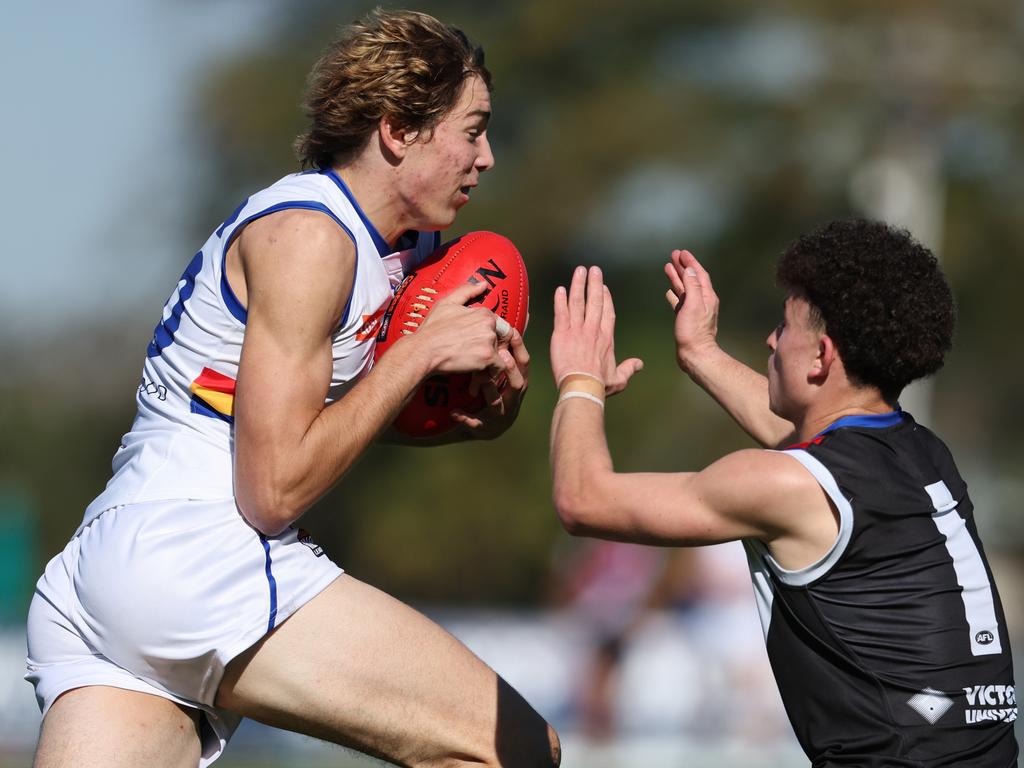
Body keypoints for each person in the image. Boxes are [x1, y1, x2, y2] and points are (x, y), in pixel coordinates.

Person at [26, 10, 560, 768]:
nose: (488, 157)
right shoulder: (310, 239)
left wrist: (479, 413)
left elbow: (327, 418)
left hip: (116, 569)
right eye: (472, 130)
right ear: (397, 131)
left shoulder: (395, 250)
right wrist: (418, 356)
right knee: (517, 751)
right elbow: (274, 489)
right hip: (197, 553)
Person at [548, 219, 1017, 766]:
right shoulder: (922, 454)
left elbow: (583, 499)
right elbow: (802, 443)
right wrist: (700, 352)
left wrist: (579, 380)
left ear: (821, 356)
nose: (772, 339)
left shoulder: (789, 484)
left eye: (784, 325)